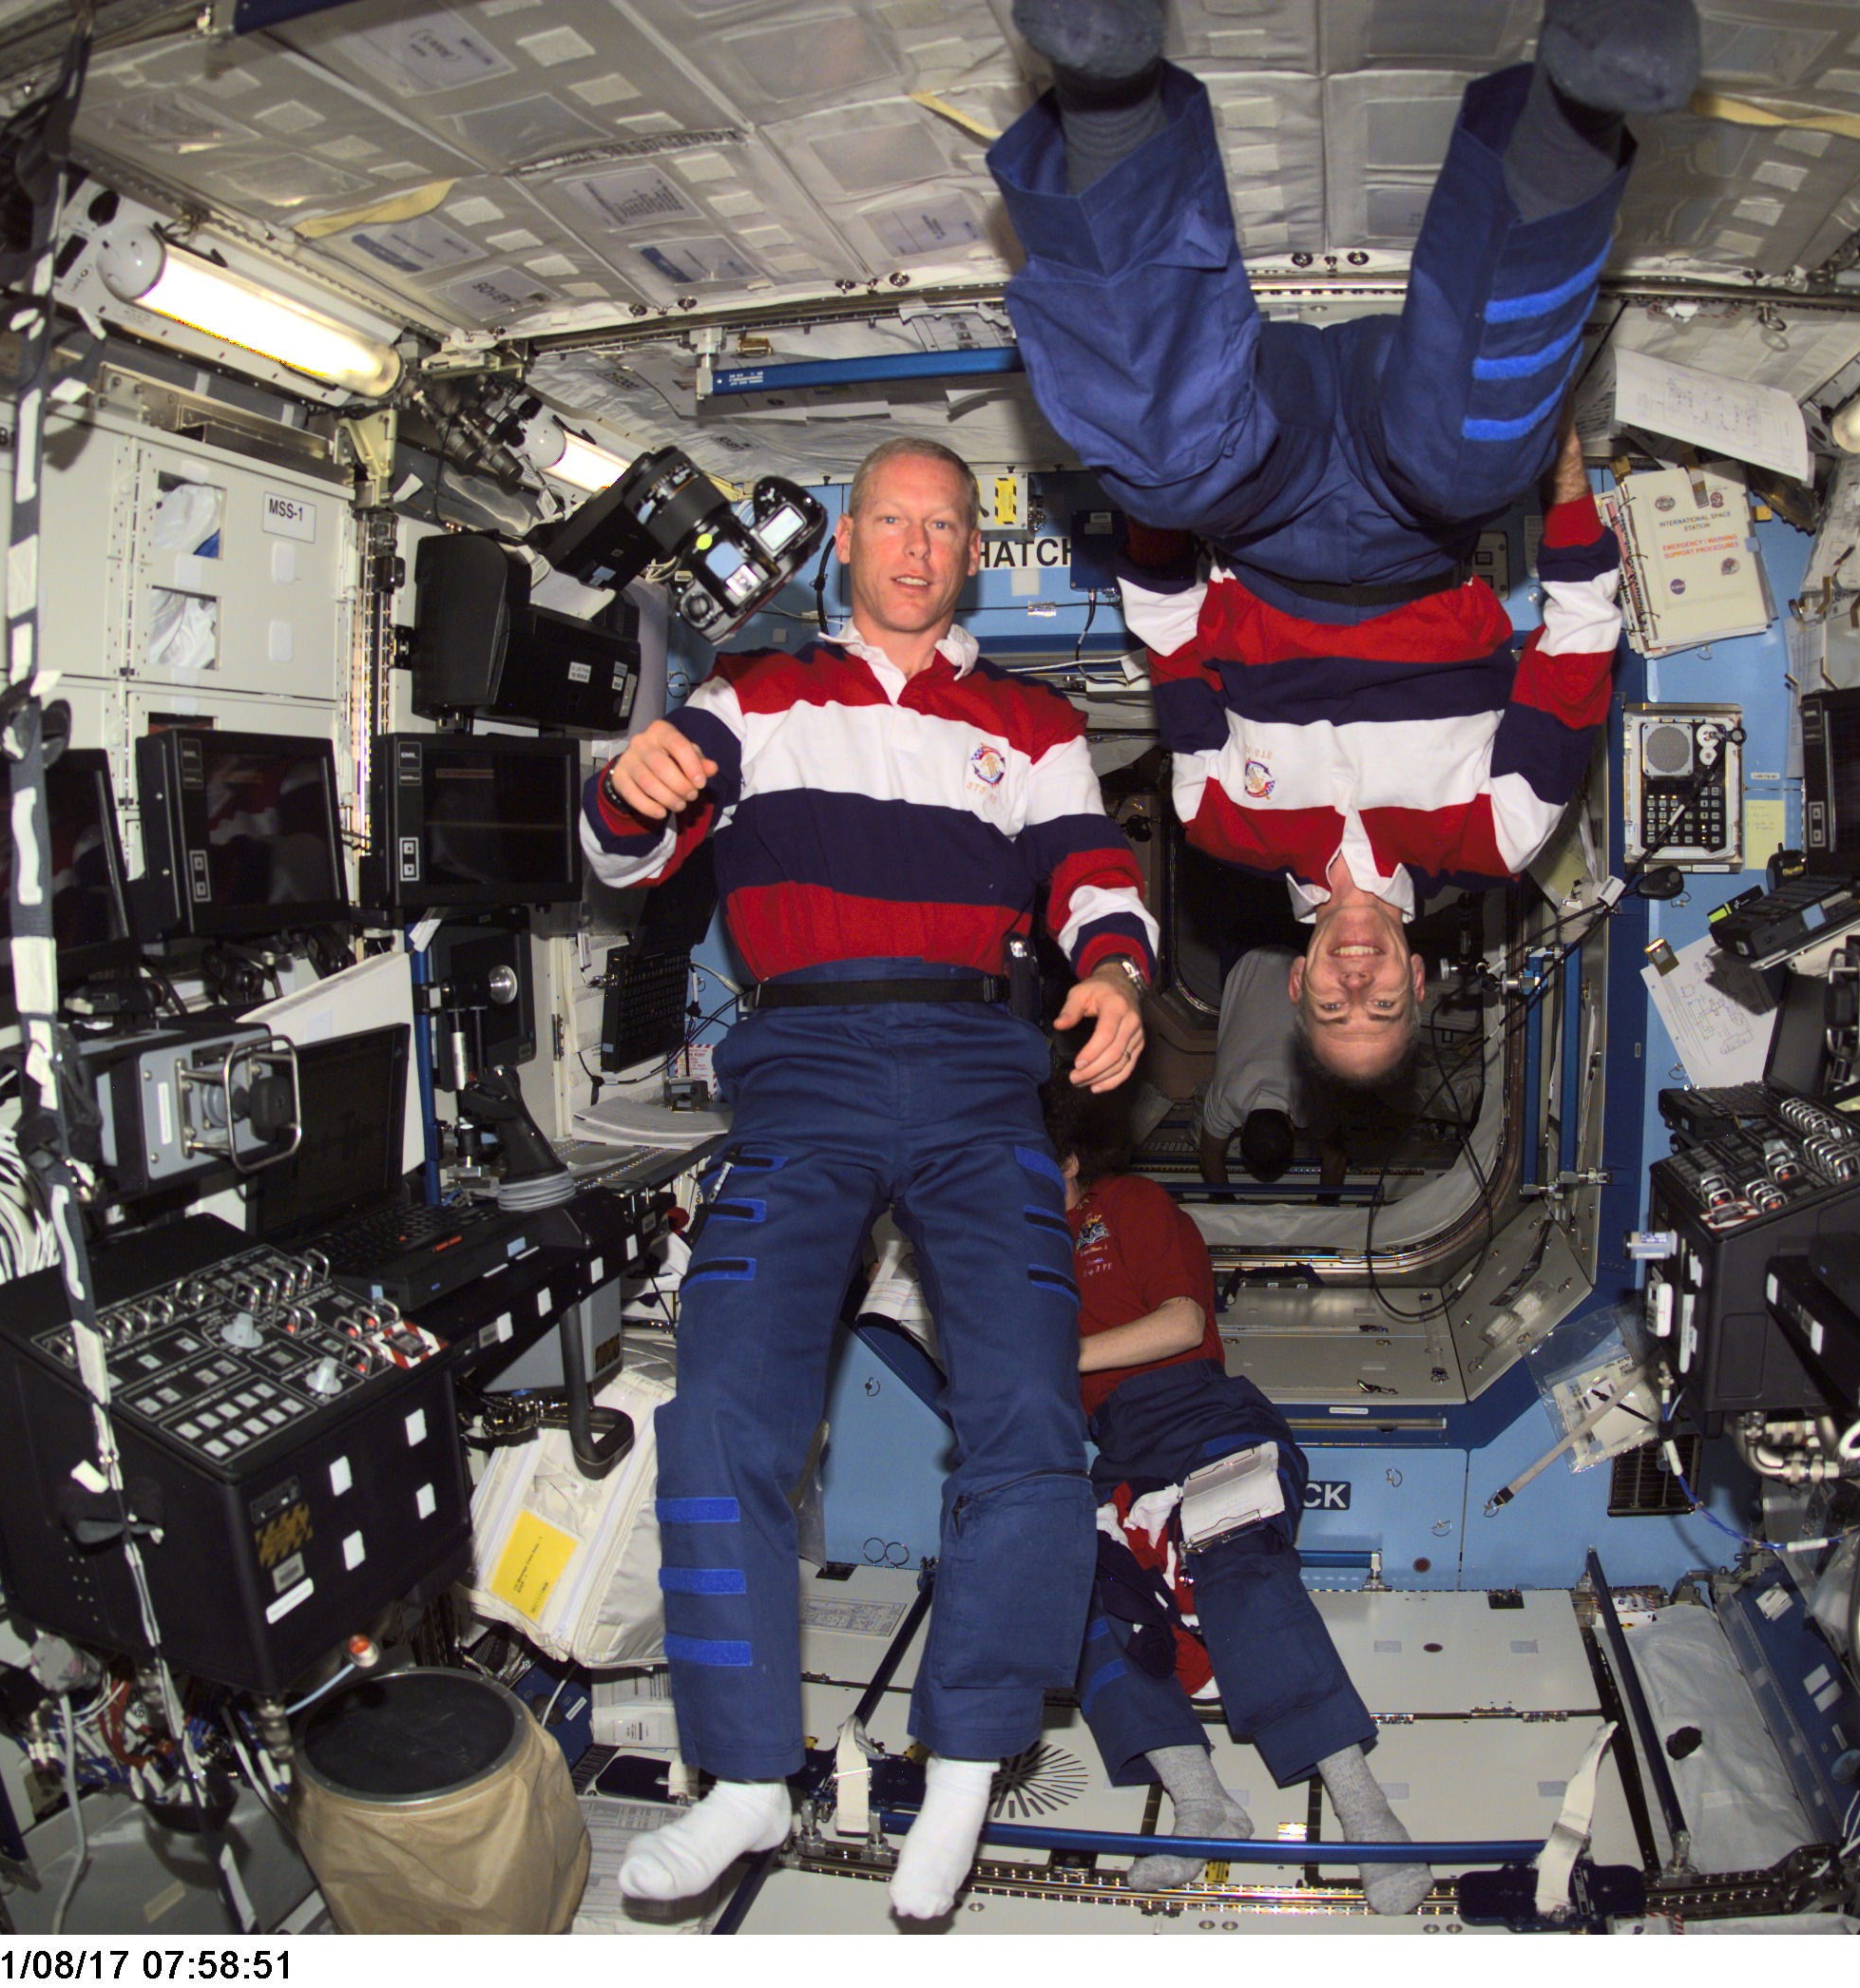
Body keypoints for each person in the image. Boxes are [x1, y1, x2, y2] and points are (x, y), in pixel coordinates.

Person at [582, 434, 1157, 1921]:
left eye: (942, 526)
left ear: (971, 550)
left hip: (979, 1079)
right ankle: (748, 1781)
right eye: (890, 524)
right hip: (806, 1076)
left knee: (1031, 1410)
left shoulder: (1030, 721)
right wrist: (626, 789)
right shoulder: (753, 697)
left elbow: (1092, 871)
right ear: (845, 542)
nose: (914, 548)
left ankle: (968, 1762)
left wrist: (1116, 977)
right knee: (718, 1411)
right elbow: (628, 847)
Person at [989, 0, 1685, 1081]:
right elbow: (1581, 642)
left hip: (1266, 513)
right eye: (1383, 1006)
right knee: (1481, 456)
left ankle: (1108, 91)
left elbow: (1172, 636)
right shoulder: (1496, 837)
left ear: (1298, 982)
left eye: (1333, 1007)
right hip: (1420, 514)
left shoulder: (1221, 822)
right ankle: (1573, 111)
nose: (1357, 984)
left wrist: (1161, 490)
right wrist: (1561, 481)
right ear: (1421, 980)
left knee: (1163, 470)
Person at [1046, 1084, 1432, 1914]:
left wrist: (1053, 1356)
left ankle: (1366, 1812)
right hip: (1119, 1452)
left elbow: (1184, 1323)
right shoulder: (1020, 1261)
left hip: (1204, 1412)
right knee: (1079, 1591)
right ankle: (1199, 1800)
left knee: (1239, 1565)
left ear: (1068, 1162)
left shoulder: (1128, 1205)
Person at [1196, 946, 1344, 1194]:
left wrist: (1325, 1207)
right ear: (1241, 1128)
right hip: (1245, 949)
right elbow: (1208, 1157)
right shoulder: (1228, 1098)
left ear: (1291, 1127)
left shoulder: (1311, 1098)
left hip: (1300, 950)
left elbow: (1336, 1160)